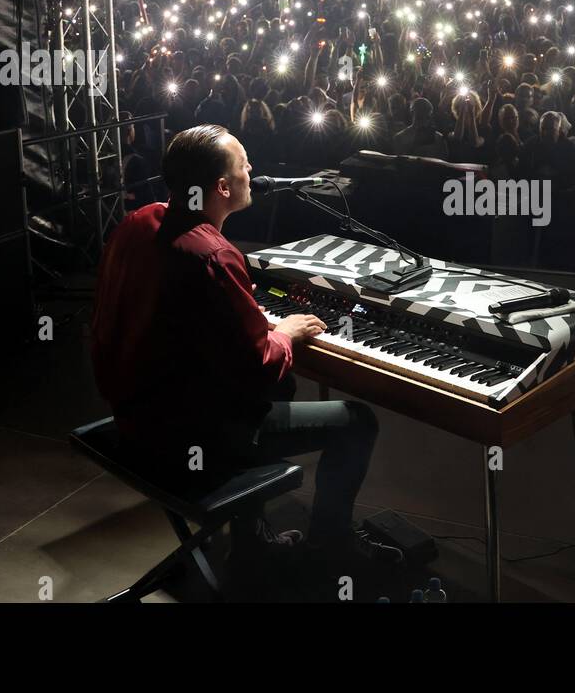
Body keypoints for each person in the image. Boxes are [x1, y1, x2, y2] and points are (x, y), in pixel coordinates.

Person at [91, 124, 399, 589]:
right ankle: (328, 550)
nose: (252, 170)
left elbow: (177, 315)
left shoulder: (139, 223)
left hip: (135, 418)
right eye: (243, 164)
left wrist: (249, 319)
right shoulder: (215, 255)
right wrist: (287, 333)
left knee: (282, 389)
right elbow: (259, 365)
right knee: (356, 421)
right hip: (185, 439)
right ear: (222, 187)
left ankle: (251, 544)